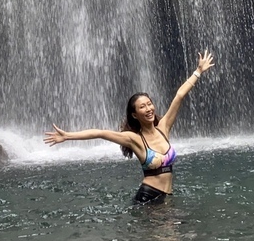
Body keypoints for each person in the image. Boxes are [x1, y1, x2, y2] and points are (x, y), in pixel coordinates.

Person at [43, 49, 215, 203]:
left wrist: (198, 71)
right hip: (149, 196)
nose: (148, 109)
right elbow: (100, 133)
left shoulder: (164, 128)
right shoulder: (134, 139)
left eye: (149, 104)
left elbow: (179, 96)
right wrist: (67, 136)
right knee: (168, 239)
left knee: (174, 238)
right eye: (142, 107)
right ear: (134, 114)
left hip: (167, 196)